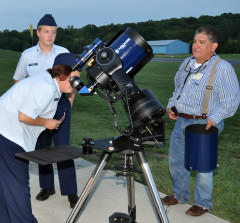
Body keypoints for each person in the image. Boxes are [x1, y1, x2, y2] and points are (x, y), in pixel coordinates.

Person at [162, 26, 240, 216]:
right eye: (195, 41)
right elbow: (178, 89)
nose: (195, 46)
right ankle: (179, 195)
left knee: (203, 165)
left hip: (205, 123)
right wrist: (172, 106)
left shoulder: (222, 68)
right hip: (182, 120)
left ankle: (203, 203)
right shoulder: (187, 63)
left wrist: (215, 118)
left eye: (201, 42)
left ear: (213, 46)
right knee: (176, 160)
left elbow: (231, 100)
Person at [0, 53, 81, 223]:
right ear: (61, 74)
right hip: (7, 135)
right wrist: (47, 122)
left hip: (7, 132)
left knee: (7, 184)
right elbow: (23, 116)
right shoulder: (44, 87)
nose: (76, 85)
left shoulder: (52, 84)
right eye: (74, 80)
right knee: (18, 184)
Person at [13, 14, 79, 208]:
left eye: (54, 32)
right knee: (42, 149)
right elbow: (18, 80)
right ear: (38, 32)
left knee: (63, 148)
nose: (50, 35)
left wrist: (69, 102)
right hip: (38, 108)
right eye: (46, 32)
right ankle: (47, 187)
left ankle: (71, 191)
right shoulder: (27, 55)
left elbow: (72, 80)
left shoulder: (64, 52)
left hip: (60, 105)